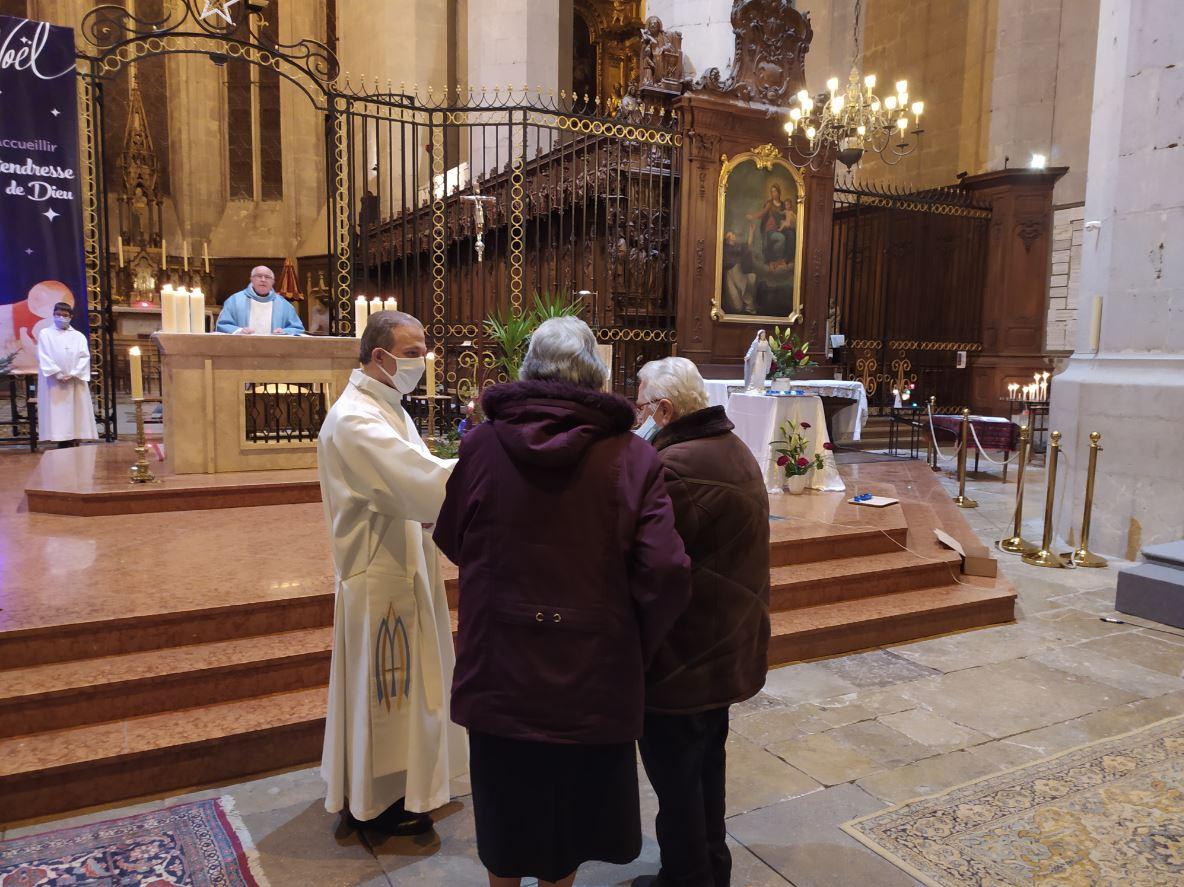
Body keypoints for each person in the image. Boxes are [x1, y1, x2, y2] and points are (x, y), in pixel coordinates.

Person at [433, 316, 691, 887]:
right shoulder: (632, 456)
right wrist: (634, 639)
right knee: (570, 828)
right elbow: (667, 570)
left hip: (500, 666)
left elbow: (450, 536)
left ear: (526, 371)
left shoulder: (481, 446)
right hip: (592, 672)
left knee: (506, 820)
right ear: (597, 376)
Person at [316, 310, 465, 836]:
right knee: (388, 690)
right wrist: (487, 459)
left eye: (423, 349)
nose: (420, 361)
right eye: (410, 352)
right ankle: (382, 803)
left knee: (401, 689)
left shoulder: (385, 405)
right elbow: (418, 481)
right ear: (378, 357)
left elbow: (412, 482)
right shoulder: (357, 418)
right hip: (379, 573)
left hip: (401, 562)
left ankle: (399, 789)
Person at [632, 356, 771, 887]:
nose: (636, 415)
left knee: (678, 779)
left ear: (665, 410)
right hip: (726, 642)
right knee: (706, 767)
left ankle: (686, 877)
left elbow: (649, 562)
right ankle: (712, 867)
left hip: (684, 656)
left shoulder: (675, 467)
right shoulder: (731, 447)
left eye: (642, 405)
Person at [36, 301, 98, 448]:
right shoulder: (45, 334)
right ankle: (60, 439)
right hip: (54, 382)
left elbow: (84, 356)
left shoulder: (78, 336)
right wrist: (57, 374)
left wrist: (74, 373)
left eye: (65, 315)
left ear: (71, 317)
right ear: (53, 315)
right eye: (58, 315)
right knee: (58, 411)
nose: (61, 318)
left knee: (75, 410)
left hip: (74, 380)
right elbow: (43, 355)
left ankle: (74, 437)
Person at [215, 266, 305, 335]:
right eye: (259, 276)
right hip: (242, 350)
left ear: (273, 282)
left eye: (267, 277)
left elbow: (297, 328)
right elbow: (223, 324)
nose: (263, 280)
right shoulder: (234, 301)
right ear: (251, 279)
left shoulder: (284, 305)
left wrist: (284, 331)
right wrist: (239, 331)